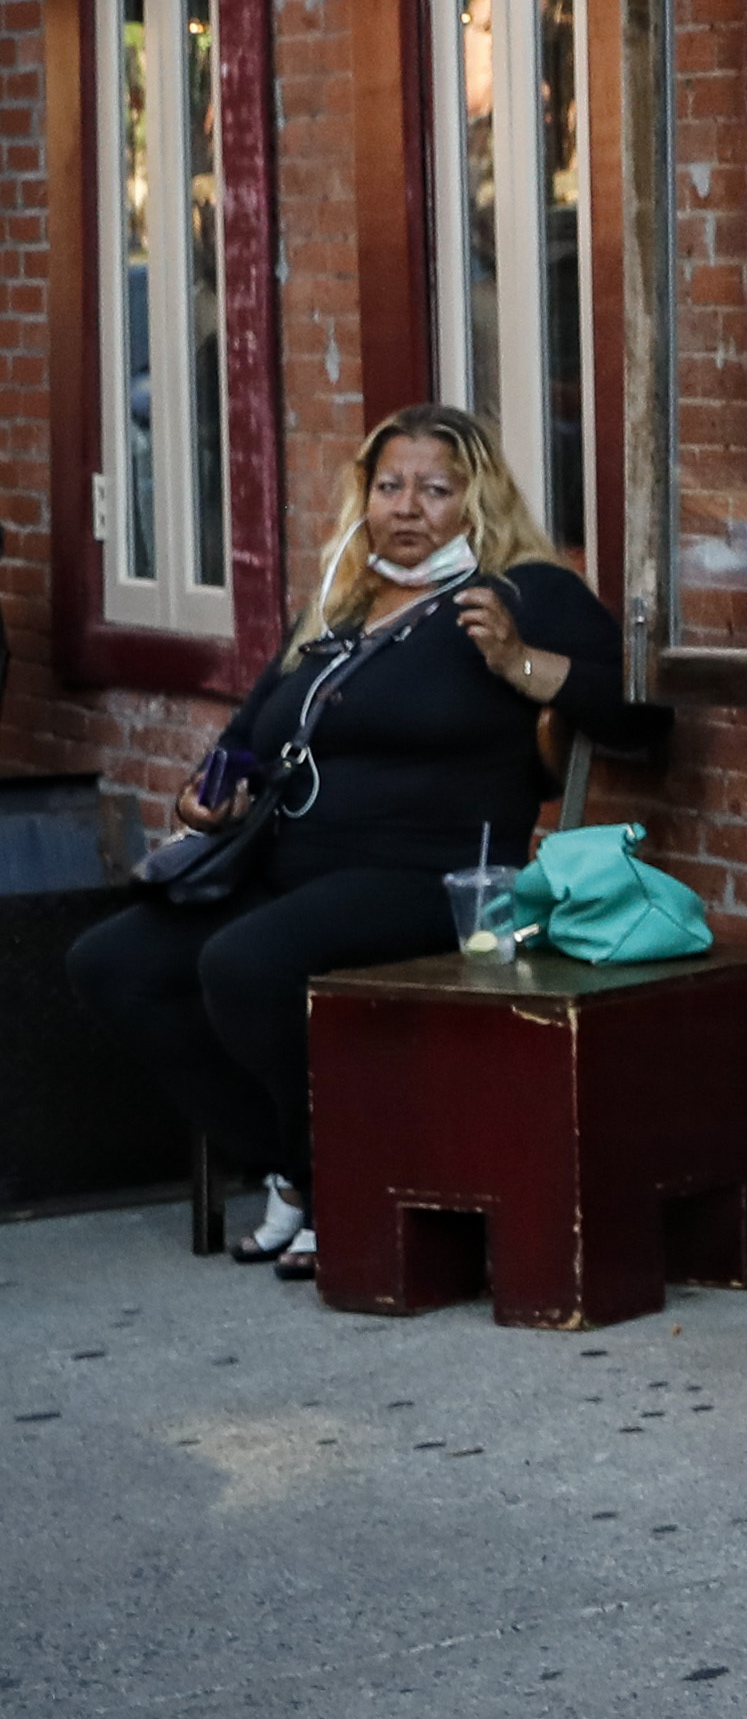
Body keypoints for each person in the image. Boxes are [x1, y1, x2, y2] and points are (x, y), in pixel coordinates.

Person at [70, 405, 622, 1284]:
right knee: (111, 962)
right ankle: (297, 1164)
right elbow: (248, 734)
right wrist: (205, 795)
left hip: (430, 873)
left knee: (245, 965)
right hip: (285, 866)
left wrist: (524, 665)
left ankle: (330, 1180)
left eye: (436, 489)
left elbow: (639, 714)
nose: (408, 507)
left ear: (479, 500)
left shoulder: (524, 591)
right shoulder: (338, 603)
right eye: (389, 485)